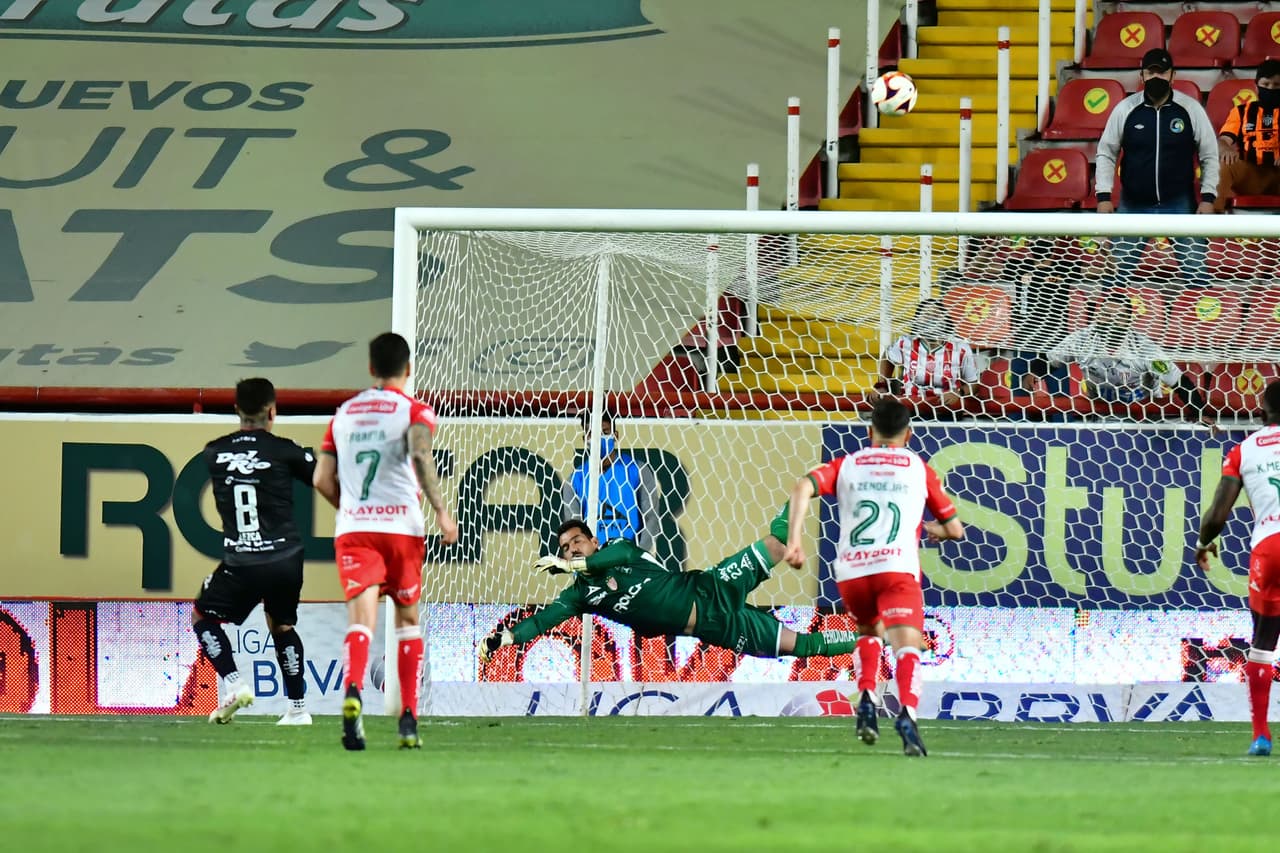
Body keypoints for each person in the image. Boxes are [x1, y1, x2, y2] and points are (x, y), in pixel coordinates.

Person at [782, 398, 965, 757]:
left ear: (870, 432)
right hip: (896, 569)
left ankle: (866, 696)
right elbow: (955, 530)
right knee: (907, 645)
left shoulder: (848, 464)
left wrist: (795, 542)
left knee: (869, 633)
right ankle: (907, 715)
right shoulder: (918, 469)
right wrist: (931, 529)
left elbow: (802, 486)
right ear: (908, 435)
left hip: (853, 572)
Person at [314, 332, 459, 751]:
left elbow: (321, 478)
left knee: (361, 620)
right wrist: (441, 511)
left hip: (356, 529)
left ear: (371, 368)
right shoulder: (415, 410)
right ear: (408, 369)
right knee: (407, 621)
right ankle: (408, 719)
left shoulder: (343, 414)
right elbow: (420, 454)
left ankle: (353, 690)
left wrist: (350, 509)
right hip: (401, 529)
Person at [479, 516, 858, 666]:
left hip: (712, 588)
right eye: (565, 548)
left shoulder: (619, 551)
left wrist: (571, 566)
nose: (572, 549)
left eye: (577, 541)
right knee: (802, 647)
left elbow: (617, 554)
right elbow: (542, 621)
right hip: (717, 628)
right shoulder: (579, 596)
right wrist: (505, 638)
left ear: (593, 541)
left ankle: (804, 489)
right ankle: (873, 638)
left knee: (777, 543)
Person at [191, 378, 317, 726]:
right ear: (272, 411)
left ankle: (235, 684)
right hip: (286, 558)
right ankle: (298, 709)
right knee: (282, 625)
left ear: (237, 410)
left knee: (202, 617)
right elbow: (320, 477)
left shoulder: (214, 452)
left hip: (243, 560)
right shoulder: (286, 450)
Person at [1194, 380, 1280, 756]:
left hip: (1270, 547)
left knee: (1263, 644)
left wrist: (1203, 543)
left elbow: (1218, 514)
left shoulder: (1243, 450)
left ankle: (1261, 735)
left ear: (1261, 413)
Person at [1094, 48, 1219, 287]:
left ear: (1173, 75)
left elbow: (1209, 155)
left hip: (1180, 204)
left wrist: (1208, 198)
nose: (1156, 77)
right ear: (1141, 76)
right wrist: (1103, 196)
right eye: (1151, 72)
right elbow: (1106, 152)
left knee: (1197, 278)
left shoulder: (1190, 109)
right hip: (1133, 205)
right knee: (1115, 281)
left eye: (1162, 73)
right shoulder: (1125, 109)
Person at [1044, 289, 1212, 425]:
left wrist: (1200, 412)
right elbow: (1049, 361)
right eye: (1106, 315)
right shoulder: (1081, 340)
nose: (1110, 322)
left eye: (1118, 317)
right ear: (1097, 317)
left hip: (1145, 420)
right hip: (1103, 417)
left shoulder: (1145, 349)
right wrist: (1034, 374)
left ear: (1128, 321)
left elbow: (1180, 383)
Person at [562, 410, 660, 550]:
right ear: (585, 439)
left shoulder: (638, 470)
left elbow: (651, 518)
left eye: (605, 432)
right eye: (592, 434)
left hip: (630, 556)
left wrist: (638, 555)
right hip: (594, 558)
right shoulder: (574, 480)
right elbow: (574, 530)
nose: (599, 438)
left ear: (616, 435)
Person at [865, 298, 977, 419]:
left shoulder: (960, 347)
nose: (931, 319)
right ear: (917, 321)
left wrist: (959, 392)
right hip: (911, 409)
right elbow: (887, 357)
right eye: (926, 315)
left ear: (946, 320)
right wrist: (882, 385)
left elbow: (974, 383)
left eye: (936, 314)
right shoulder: (906, 343)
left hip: (947, 411)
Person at [1214, 59, 1280, 213]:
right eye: (1266, 84)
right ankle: (1212, 217)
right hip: (1251, 175)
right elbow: (1223, 140)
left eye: (1277, 85)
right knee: (1223, 164)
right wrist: (1225, 149)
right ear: (1256, 87)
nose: (1271, 89)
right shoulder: (1241, 111)